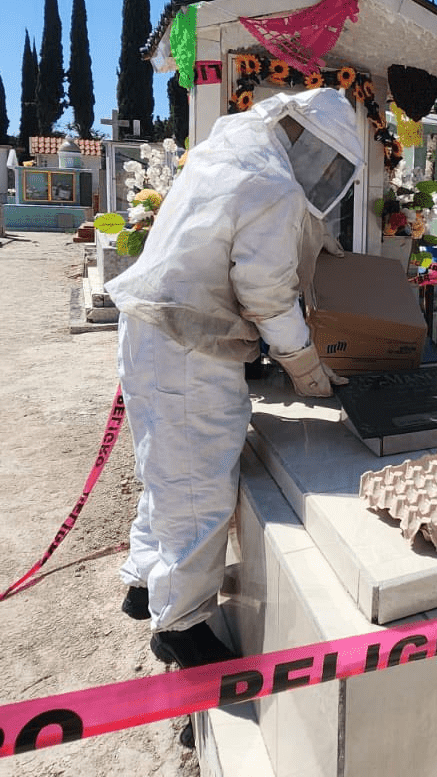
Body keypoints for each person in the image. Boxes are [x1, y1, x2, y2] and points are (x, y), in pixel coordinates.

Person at [109, 88, 364, 669]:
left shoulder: (231, 152)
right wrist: (304, 366)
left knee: (163, 466)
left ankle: (144, 582)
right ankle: (180, 624)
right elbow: (268, 294)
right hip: (191, 347)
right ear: (301, 134)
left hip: (153, 329)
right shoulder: (271, 183)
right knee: (198, 483)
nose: (322, 172)